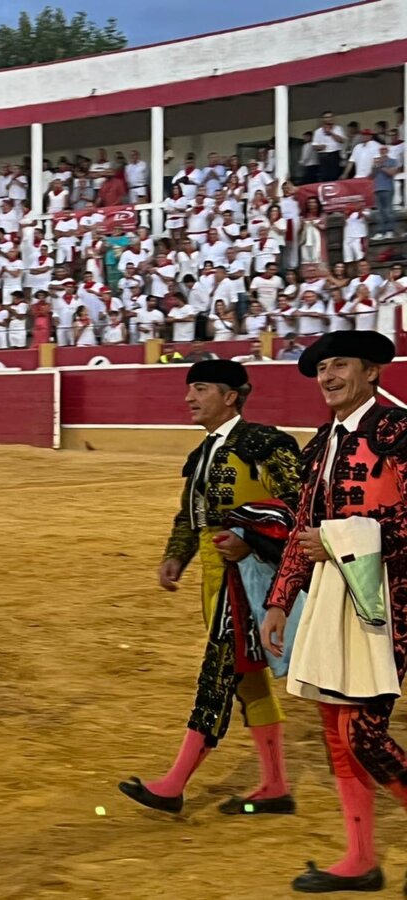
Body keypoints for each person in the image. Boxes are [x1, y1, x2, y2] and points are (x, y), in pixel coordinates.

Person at [120, 360, 302, 817]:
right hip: (216, 576)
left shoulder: (264, 443)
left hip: (256, 576)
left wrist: (250, 537)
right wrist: (176, 556)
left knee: (220, 672)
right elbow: (190, 515)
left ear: (230, 396)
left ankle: (174, 783)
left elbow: (300, 502)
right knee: (246, 676)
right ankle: (276, 784)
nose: (189, 398)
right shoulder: (202, 453)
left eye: (199, 389)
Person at [261, 331, 406, 894]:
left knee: (366, 732)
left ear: (371, 372)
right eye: (322, 368)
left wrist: (344, 540)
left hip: (394, 597)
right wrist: (280, 601)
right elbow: (303, 529)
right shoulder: (319, 444)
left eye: (339, 365)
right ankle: (361, 858)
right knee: (334, 725)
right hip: (334, 595)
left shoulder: (397, 433)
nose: (327, 376)